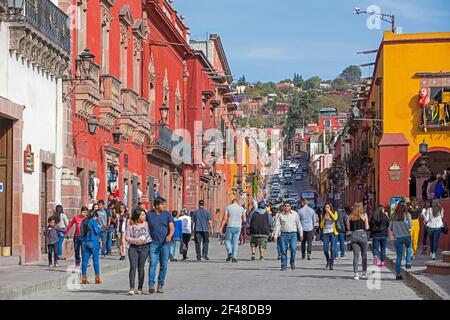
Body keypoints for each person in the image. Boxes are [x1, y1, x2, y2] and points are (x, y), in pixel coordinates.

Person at [146, 197, 174, 294]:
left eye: (164, 204)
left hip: (165, 244)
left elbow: (172, 228)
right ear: (157, 205)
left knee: (164, 265)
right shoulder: (149, 215)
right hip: (153, 243)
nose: (164, 206)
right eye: (162, 204)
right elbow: (144, 226)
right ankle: (151, 285)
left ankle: (160, 284)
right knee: (152, 264)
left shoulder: (167, 215)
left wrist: (170, 236)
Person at [126, 208, 152, 295]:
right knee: (133, 267)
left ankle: (140, 287)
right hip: (133, 248)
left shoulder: (147, 224)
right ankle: (132, 287)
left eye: (144, 215)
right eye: (142, 215)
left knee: (141, 268)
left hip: (145, 247)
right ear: (137, 216)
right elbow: (127, 237)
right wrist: (135, 240)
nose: (144, 216)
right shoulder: (131, 225)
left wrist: (144, 240)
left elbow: (149, 236)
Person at [274, 202, 303, 271]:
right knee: (283, 250)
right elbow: (277, 226)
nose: (286, 207)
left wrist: (301, 234)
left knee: (293, 249)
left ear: (290, 207)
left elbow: (298, 224)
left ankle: (292, 262)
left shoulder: (295, 214)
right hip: (284, 234)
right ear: (283, 207)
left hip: (293, 234)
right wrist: (275, 235)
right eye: (285, 206)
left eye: (288, 206)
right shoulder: (280, 215)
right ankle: (283, 265)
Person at [389, 202, 412, 280]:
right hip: (406, 236)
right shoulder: (407, 214)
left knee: (399, 256)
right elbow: (410, 225)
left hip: (397, 238)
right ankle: (408, 262)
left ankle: (398, 275)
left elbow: (390, 227)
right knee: (409, 247)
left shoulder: (393, 215)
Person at [347, 202, 369, 280]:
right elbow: (367, 227)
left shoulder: (350, 216)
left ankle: (356, 274)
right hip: (363, 235)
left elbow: (348, 228)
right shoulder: (364, 215)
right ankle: (364, 272)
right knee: (364, 255)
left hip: (354, 235)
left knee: (356, 256)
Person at [81, 211, 101, 284]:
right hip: (93, 242)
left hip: (84, 242)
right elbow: (97, 231)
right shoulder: (93, 221)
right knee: (95, 260)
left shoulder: (83, 222)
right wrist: (99, 227)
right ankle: (97, 278)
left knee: (84, 261)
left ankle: (84, 278)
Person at [320, 203, 338, 270]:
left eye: (328, 207)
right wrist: (324, 219)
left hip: (333, 233)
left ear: (330, 207)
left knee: (333, 249)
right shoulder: (323, 214)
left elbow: (335, 218)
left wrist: (329, 212)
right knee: (325, 249)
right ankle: (328, 260)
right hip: (326, 233)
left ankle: (332, 263)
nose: (326, 208)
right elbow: (321, 226)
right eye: (325, 207)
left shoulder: (334, 212)